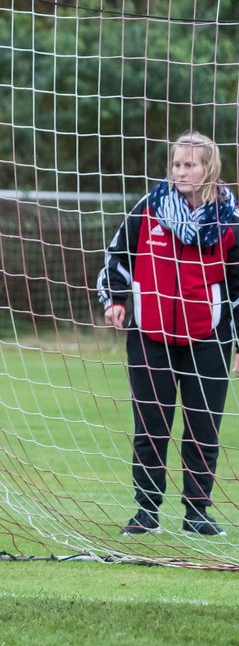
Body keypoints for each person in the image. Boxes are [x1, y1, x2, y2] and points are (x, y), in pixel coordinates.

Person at [96, 130, 239, 536]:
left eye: (189, 164)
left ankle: (197, 513)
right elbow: (116, 256)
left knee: (203, 429)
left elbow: (238, 285)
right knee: (151, 428)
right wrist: (116, 299)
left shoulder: (230, 221)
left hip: (209, 339)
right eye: (176, 164)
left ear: (208, 168)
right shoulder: (149, 208)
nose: (180, 171)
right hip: (149, 336)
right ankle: (146, 513)